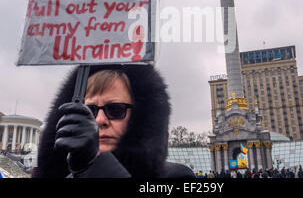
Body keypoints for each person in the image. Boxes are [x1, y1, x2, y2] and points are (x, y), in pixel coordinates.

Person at [32, 64, 196, 178]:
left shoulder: (177, 175)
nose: (99, 120)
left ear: (138, 118)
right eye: (89, 110)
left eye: (116, 110)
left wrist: (92, 166)